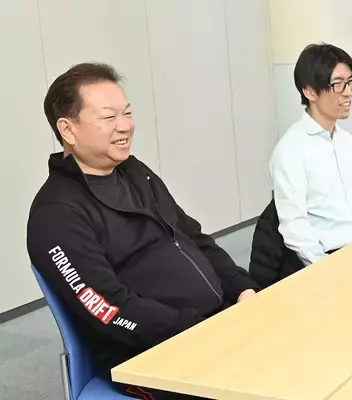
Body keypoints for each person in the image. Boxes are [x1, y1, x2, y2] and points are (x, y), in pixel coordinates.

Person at [27, 63, 258, 399]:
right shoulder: (56, 215)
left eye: (127, 113)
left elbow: (191, 236)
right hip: (151, 356)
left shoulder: (135, 172)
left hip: (214, 323)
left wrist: (241, 287)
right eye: (109, 117)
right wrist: (198, 329)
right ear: (68, 129)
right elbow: (108, 307)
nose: (125, 126)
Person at [269, 43, 352, 267]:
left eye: (350, 82)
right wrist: (327, 270)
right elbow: (295, 227)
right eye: (338, 84)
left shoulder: (347, 141)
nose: (348, 92)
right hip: (335, 256)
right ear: (309, 91)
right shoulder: (290, 150)